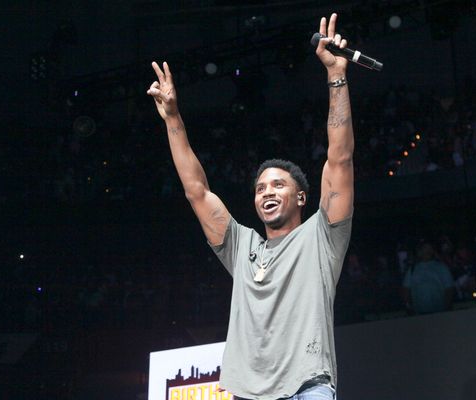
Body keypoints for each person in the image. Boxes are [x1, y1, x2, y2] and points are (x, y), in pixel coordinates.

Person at [146, 13, 354, 400]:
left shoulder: (322, 236)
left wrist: (335, 76)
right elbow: (197, 191)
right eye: (260, 188)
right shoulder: (242, 246)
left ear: (302, 197)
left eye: (278, 184)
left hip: (309, 387)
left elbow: (339, 159)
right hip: (250, 394)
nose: (267, 192)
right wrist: (173, 118)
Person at [401, 241, 455, 315]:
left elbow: (449, 289)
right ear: (419, 251)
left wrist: (446, 308)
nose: (428, 251)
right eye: (425, 248)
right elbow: (406, 290)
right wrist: (409, 308)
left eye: (430, 248)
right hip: (419, 315)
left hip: (440, 313)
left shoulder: (442, 267)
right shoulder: (412, 269)